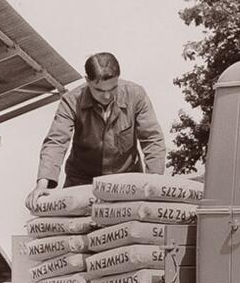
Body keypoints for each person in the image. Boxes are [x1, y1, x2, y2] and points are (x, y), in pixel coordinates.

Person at [24, 52, 165, 210]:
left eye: (112, 89)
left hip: (126, 181)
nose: (106, 96)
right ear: (87, 81)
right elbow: (56, 142)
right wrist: (42, 184)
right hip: (82, 181)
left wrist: (155, 182)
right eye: (99, 90)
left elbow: (152, 139)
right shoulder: (71, 101)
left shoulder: (136, 95)